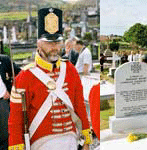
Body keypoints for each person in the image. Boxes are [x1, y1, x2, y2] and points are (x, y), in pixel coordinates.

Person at [8, 8, 92, 150]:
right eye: (49, 42)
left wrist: (86, 139)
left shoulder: (70, 69)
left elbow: (80, 106)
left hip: (71, 140)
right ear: (38, 44)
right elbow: (15, 121)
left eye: (57, 42)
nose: (54, 47)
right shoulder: (25, 77)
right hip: (42, 144)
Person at [0, 54, 21, 150]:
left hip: (2, 102)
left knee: (5, 134)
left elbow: (19, 74)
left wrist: (11, 89)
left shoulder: (4, 60)